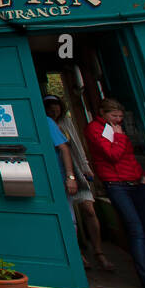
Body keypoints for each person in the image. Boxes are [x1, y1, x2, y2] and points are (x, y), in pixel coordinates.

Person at [84, 98, 145, 288]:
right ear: (102, 113)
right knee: (136, 230)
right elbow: (112, 155)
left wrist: (141, 175)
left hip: (136, 182)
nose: (118, 120)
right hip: (116, 184)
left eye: (120, 116)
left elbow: (130, 156)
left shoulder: (117, 129)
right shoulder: (96, 129)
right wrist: (120, 137)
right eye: (114, 116)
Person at [44, 95, 113, 272]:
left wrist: (78, 171)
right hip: (53, 177)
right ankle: (76, 255)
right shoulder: (43, 121)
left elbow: (71, 147)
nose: (54, 110)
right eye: (49, 107)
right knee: (67, 218)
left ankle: (96, 253)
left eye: (56, 106)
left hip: (72, 173)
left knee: (86, 211)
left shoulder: (60, 123)